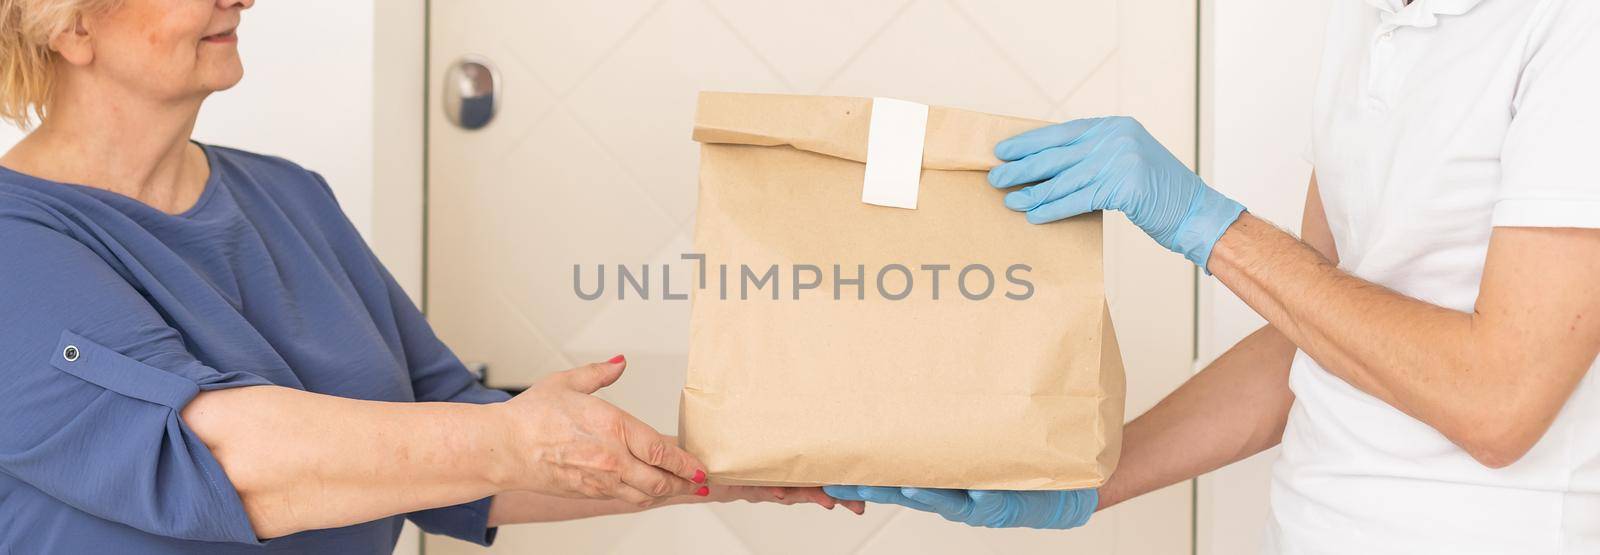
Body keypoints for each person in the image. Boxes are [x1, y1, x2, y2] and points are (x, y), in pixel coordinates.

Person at [0, 0, 858, 553]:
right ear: (71, 25)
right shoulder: (16, 243)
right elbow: (221, 456)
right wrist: (509, 439)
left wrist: (740, 462)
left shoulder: (290, 194)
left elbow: (458, 445)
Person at [829, 0, 1600, 552]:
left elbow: (1501, 403)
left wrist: (1207, 222)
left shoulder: (1574, 27)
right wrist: (1088, 480)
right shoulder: (1367, 15)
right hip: (1307, 528)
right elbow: (1321, 328)